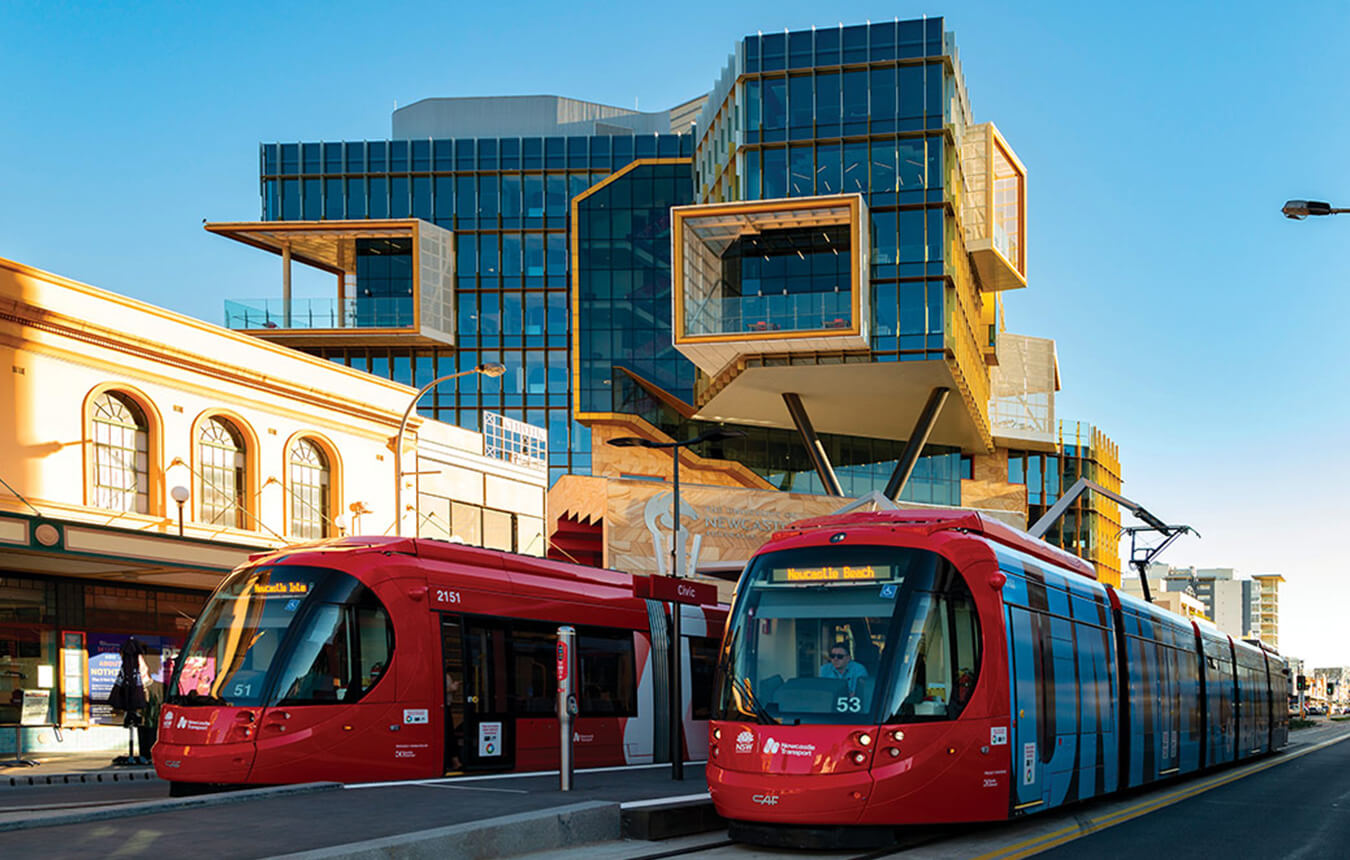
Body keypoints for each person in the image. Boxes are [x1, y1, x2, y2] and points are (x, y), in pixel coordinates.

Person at [444, 670, 463, 771]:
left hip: (447, 706)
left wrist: (453, 689)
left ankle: (454, 761)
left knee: (449, 734)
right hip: (442, 708)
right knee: (449, 735)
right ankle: (454, 761)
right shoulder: (439, 674)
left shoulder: (446, 675)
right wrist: (450, 688)